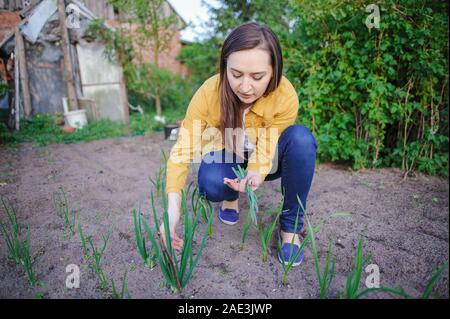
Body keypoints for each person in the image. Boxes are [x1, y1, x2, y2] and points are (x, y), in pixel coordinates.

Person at [163, 22, 317, 266]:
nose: (245, 87)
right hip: (229, 153)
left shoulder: (285, 96)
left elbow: (268, 146)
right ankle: (230, 196)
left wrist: (254, 174)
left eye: (257, 77)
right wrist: (172, 211)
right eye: (235, 74)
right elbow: (183, 150)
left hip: (266, 157)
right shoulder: (209, 93)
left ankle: (290, 228)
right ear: (224, 66)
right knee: (212, 184)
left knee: (301, 140)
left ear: (274, 71)